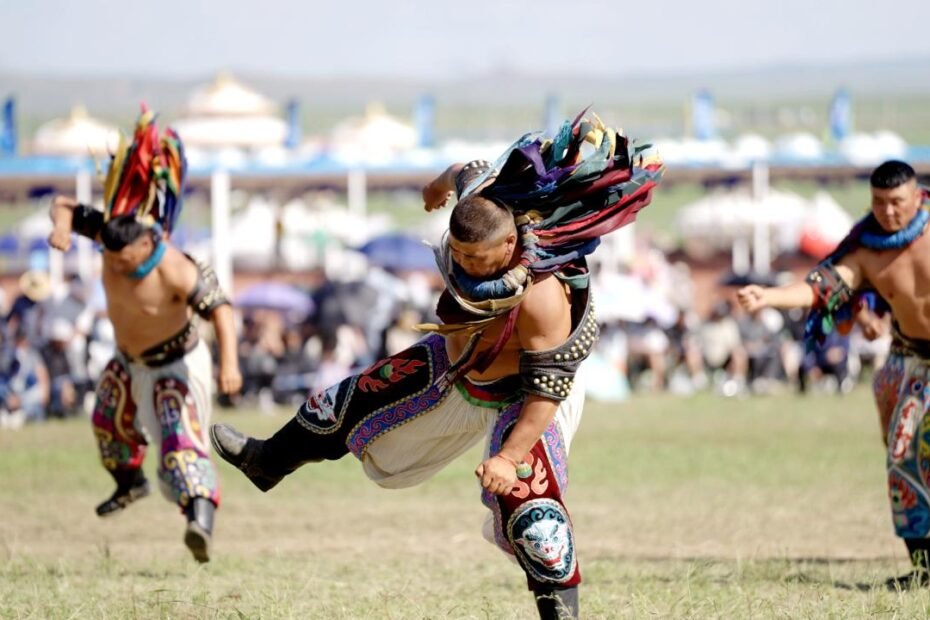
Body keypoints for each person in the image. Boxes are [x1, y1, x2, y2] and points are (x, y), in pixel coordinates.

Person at [211, 112, 663, 619]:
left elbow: (546, 391)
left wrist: (508, 457)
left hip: (528, 394)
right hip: (455, 360)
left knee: (536, 520)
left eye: (478, 258)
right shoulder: (479, 199)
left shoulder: (543, 297)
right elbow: (462, 170)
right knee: (339, 403)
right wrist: (435, 188)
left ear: (510, 244)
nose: (466, 264)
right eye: (460, 255)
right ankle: (265, 461)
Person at [46, 107, 242, 563]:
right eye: (111, 258)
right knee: (107, 421)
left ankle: (200, 520)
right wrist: (62, 229)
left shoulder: (177, 268)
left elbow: (222, 309)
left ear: (147, 242)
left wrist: (230, 364)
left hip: (177, 363)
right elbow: (64, 206)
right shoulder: (111, 233)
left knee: (180, 437)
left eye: (125, 259)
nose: (116, 266)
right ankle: (129, 483)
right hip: (127, 359)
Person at [736, 160, 930, 588]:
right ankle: (924, 569)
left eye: (897, 202)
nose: (888, 211)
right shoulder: (867, 250)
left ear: (918, 196)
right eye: (878, 202)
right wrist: (768, 297)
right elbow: (821, 288)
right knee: (902, 460)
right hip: (911, 360)